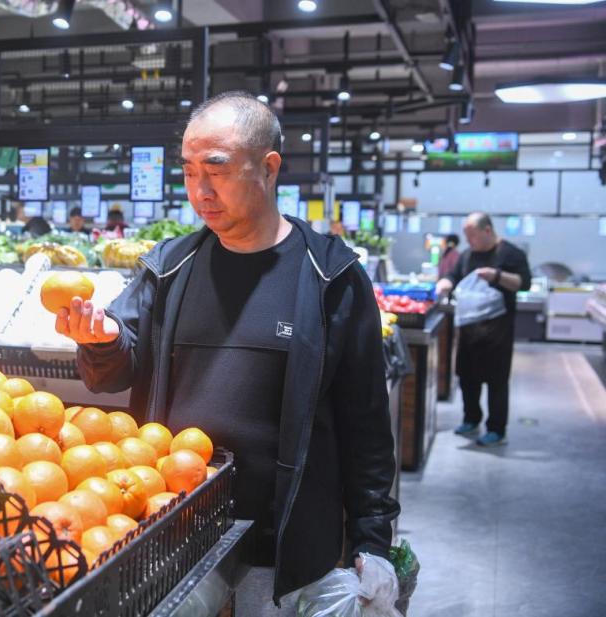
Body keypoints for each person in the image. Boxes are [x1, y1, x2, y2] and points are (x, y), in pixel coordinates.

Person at [55, 92, 399, 613]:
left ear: (269, 168)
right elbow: (114, 371)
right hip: (178, 533)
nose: (200, 190)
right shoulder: (168, 268)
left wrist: (373, 538)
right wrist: (101, 341)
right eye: (189, 171)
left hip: (286, 548)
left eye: (216, 170)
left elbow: (366, 422)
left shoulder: (331, 277)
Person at [436, 213, 531, 446]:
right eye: (467, 237)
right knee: (467, 377)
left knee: (496, 381)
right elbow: (454, 275)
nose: (469, 242)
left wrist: (496, 276)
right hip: (469, 330)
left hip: (497, 332)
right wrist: (446, 283)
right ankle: (471, 419)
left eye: (473, 236)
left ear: (487, 230)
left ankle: (497, 429)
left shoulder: (511, 254)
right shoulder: (468, 255)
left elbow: (524, 283)